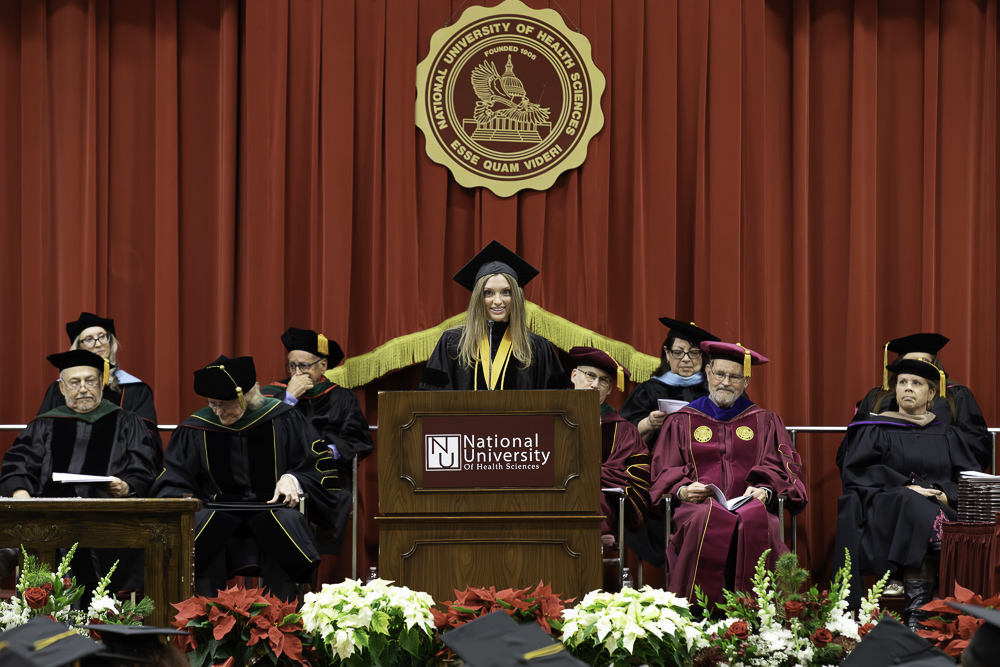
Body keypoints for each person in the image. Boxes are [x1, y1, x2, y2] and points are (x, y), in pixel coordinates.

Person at [151, 355, 349, 600]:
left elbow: (316, 464)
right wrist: (186, 498)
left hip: (274, 507)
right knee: (197, 531)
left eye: (225, 405)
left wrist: (293, 478)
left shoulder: (283, 418)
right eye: (213, 404)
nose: (218, 412)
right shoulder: (196, 427)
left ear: (247, 396)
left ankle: (282, 617)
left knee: (286, 526)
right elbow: (174, 476)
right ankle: (206, 617)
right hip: (216, 508)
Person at [648, 341, 807, 605]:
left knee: (761, 520)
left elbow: (783, 472)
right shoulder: (682, 420)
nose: (725, 382)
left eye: (734, 377)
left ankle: (760, 612)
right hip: (698, 506)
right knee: (705, 518)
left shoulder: (765, 421)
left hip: (750, 504)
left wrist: (766, 491)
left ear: (746, 381)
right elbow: (663, 471)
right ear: (708, 373)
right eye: (720, 374)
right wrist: (682, 490)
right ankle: (698, 610)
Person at [834, 358, 980, 629]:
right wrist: (904, 485)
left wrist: (945, 494)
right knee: (910, 499)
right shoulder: (875, 429)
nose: (908, 388)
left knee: (920, 518)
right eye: (902, 382)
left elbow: (969, 476)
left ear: (932, 393)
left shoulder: (947, 433)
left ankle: (916, 621)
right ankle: (938, 538)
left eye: (916, 383)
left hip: (932, 510)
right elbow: (857, 472)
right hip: (888, 509)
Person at [0, 350, 159, 589]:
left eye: (90, 381)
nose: (83, 388)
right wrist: (19, 491)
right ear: (62, 388)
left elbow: (144, 465)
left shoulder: (126, 421)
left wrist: (127, 486)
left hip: (108, 517)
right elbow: (17, 462)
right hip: (51, 514)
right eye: (75, 382)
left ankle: (16, 552)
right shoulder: (44, 424)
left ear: (102, 383)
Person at [419, 240, 566, 391]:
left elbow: (556, 401)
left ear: (516, 297)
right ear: (478, 298)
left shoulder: (536, 347)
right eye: (488, 293)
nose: (497, 301)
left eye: (506, 292)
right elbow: (432, 399)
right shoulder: (453, 342)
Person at [840, 333, 990, 472]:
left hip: (939, 476)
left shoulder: (955, 395)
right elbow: (854, 448)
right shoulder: (877, 396)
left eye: (923, 361)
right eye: (909, 362)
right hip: (888, 480)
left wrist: (952, 483)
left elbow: (976, 446)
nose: (916, 367)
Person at [36, 312, 161, 448]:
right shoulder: (60, 389)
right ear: (78, 347)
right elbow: (41, 434)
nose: (98, 344)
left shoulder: (134, 389)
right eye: (89, 339)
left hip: (120, 458)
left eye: (102, 337)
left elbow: (145, 437)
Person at [567, 346, 650, 546]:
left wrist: (586, 473)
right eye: (590, 375)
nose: (595, 384)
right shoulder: (548, 416)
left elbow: (635, 477)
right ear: (574, 375)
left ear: (610, 389)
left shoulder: (623, 431)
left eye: (603, 380)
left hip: (597, 501)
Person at [620, 318, 720, 444]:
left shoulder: (715, 388)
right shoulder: (649, 390)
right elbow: (623, 433)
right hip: (659, 455)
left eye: (694, 353)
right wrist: (649, 423)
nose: (686, 359)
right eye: (678, 352)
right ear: (667, 354)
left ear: (702, 356)